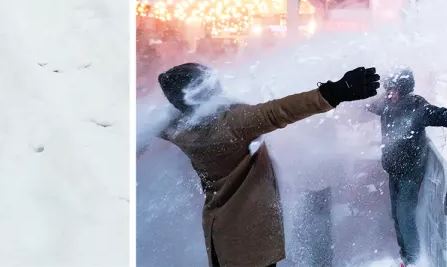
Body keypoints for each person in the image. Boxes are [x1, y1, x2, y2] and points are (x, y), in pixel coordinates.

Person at [150, 62, 380, 267]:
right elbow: (277, 111)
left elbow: (152, 123)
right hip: (249, 236)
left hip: (220, 233)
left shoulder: (179, 128)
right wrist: (335, 92)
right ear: (201, 91)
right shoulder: (230, 123)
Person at [368, 69, 447, 266]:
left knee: (404, 214)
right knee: (396, 214)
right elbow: (370, 105)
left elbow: (438, 114)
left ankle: (414, 260)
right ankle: (405, 255)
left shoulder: (415, 105)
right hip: (393, 169)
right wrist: (352, 96)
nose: (390, 93)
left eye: (394, 90)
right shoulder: (386, 104)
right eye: (388, 89)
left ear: (404, 89)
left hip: (411, 170)